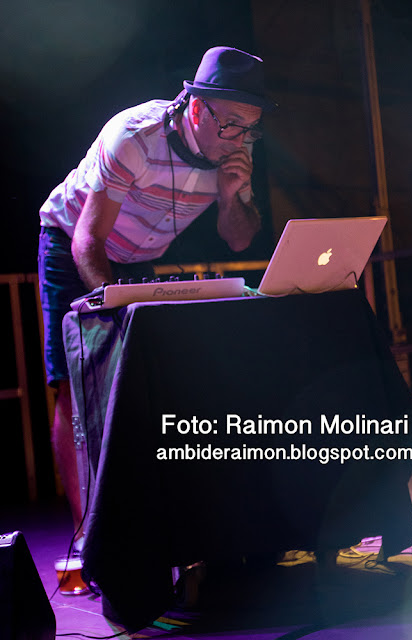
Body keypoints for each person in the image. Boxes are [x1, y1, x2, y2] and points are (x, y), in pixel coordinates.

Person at [38, 46, 277, 547]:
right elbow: (88, 240)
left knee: (141, 387)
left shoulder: (236, 148)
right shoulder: (134, 137)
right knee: (76, 384)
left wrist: (230, 197)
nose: (241, 138)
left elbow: (239, 240)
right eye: (233, 125)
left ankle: (150, 521)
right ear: (197, 107)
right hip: (74, 241)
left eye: (250, 128)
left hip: (139, 255)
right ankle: (88, 537)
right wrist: (116, 310)